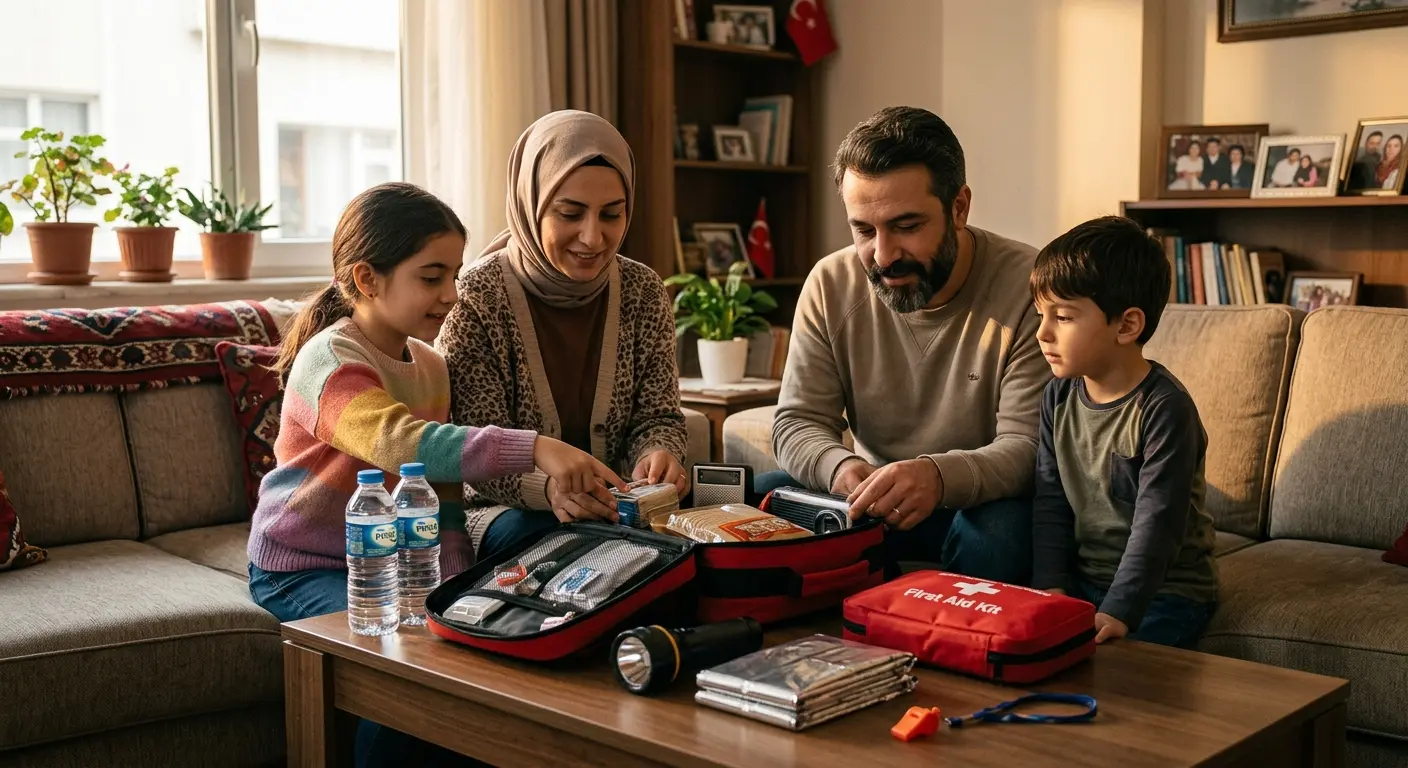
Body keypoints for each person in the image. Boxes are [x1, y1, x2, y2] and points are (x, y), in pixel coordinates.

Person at [247, 182, 623, 767]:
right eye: (431, 277)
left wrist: (452, 571)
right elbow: (401, 442)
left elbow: (440, 486)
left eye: (454, 274)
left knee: (466, 654)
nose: (451, 294)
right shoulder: (331, 362)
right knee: (400, 671)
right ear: (367, 279)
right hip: (302, 567)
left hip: (394, 558)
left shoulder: (429, 365)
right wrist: (536, 448)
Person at [761, 106, 1050, 585]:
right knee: (768, 495)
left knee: (1004, 530)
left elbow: (1027, 448)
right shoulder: (830, 284)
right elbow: (798, 421)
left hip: (978, 505)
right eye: (863, 230)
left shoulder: (1030, 285)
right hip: (875, 500)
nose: (883, 254)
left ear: (959, 207)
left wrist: (937, 477)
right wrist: (842, 468)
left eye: (907, 226)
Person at [438, 110, 691, 561]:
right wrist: (549, 488)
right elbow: (474, 450)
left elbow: (660, 416)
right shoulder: (477, 296)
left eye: (612, 214)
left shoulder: (643, 290)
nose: (593, 237)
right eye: (570, 213)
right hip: (508, 513)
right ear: (530, 204)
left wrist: (658, 453)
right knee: (551, 543)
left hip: (619, 511)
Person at [1030, 216, 1218, 649]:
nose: (1042, 333)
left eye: (1063, 316)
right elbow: (1050, 502)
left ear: (1127, 325)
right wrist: (1052, 587)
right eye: (1042, 314)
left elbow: (1158, 525)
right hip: (1082, 581)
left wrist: (1119, 609)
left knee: (1115, 677)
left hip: (1165, 592)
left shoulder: (1165, 409)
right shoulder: (1056, 398)